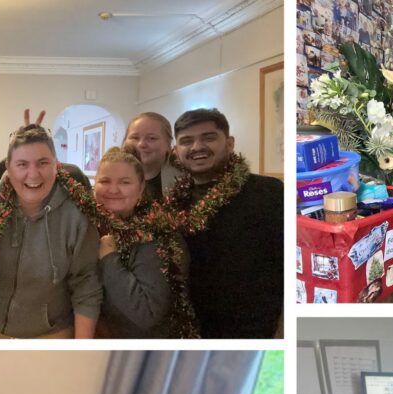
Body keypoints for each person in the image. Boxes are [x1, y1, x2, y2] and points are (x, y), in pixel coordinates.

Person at [0, 124, 101, 339]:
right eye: (22, 164)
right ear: (9, 169)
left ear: (56, 166)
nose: (33, 174)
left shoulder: (76, 216)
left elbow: (86, 287)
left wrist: (80, 349)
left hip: (51, 335)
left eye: (42, 163)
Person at [171, 108, 283, 338]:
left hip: (254, 329)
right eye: (186, 141)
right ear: (176, 151)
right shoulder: (173, 203)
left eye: (209, 137)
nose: (197, 147)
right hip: (192, 330)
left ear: (229, 143)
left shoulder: (267, 192)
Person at [93, 146, 196, 338]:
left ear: (140, 188)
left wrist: (109, 257)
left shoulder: (158, 236)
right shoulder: (89, 228)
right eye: (105, 181)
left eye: (125, 182)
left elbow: (147, 313)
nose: (113, 190)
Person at [122, 112, 182, 204]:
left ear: (168, 145)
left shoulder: (183, 181)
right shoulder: (110, 176)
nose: (141, 144)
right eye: (135, 138)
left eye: (151, 138)